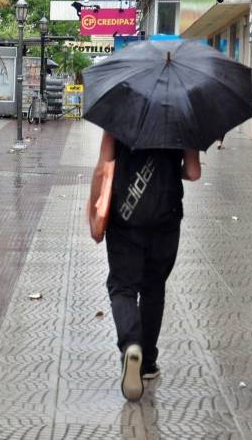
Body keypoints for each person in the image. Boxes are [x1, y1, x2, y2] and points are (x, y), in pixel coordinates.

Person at [90, 131, 201, 401]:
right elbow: (194, 172)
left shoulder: (120, 116)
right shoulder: (182, 118)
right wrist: (173, 170)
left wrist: (93, 212)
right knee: (154, 288)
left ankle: (131, 345)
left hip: (125, 214)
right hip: (166, 215)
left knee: (122, 286)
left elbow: (104, 166)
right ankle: (147, 362)